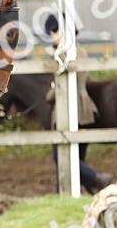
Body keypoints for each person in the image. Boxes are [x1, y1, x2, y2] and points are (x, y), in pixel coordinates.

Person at [44, 14, 110, 193]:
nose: (52, 36)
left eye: (54, 32)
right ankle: (68, 190)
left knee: (61, 154)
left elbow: (59, 87)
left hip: (72, 106)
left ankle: (96, 178)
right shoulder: (78, 51)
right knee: (74, 153)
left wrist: (50, 92)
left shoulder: (66, 53)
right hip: (79, 105)